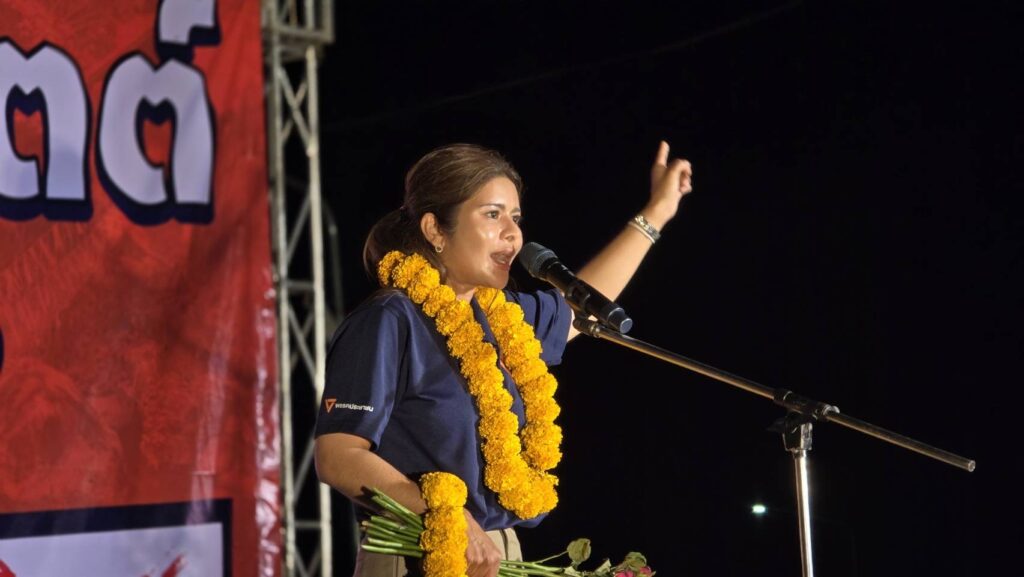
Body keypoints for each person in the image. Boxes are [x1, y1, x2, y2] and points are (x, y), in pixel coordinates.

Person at [314, 141, 693, 577]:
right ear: (436, 230)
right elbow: (338, 455)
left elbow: (581, 307)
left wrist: (656, 214)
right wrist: (444, 513)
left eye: (516, 217)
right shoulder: (390, 318)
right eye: (493, 215)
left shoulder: (500, 319)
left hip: (501, 553)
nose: (513, 234)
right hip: (422, 551)